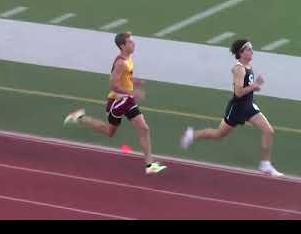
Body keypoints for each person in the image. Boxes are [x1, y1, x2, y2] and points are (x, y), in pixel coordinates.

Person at [63, 32, 167, 174]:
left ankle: (150, 165)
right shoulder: (120, 63)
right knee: (109, 131)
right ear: (123, 46)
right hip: (116, 102)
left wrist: (135, 81)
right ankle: (79, 117)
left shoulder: (129, 58)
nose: (133, 44)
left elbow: (126, 77)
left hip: (127, 100)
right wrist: (133, 93)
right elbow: (113, 86)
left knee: (143, 129)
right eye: (130, 42)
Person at [180, 39, 283, 177]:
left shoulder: (248, 66)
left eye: (252, 49)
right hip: (237, 109)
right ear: (241, 52)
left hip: (249, 106)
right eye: (249, 49)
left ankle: (265, 164)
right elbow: (238, 92)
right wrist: (254, 86)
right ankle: (193, 135)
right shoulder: (239, 69)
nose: (252, 51)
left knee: (268, 131)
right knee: (219, 134)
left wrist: (254, 86)